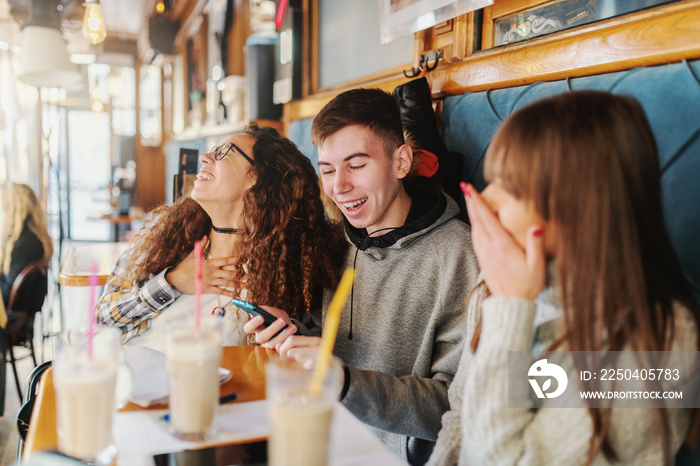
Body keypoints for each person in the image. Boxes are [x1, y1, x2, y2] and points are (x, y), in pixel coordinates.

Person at [428, 91, 700, 465]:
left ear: (578, 204)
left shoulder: (661, 336)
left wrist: (512, 312)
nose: (486, 201)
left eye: (510, 187)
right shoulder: (497, 287)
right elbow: (461, 413)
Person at [245, 88, 480, 465]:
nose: (339, 186)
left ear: (401, 162)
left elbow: (453, 407)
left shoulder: (459, 257)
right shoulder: (331, 242)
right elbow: (327, 357)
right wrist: (293, 336)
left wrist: (347, 384)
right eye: (327, 170)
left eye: (356, 165)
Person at [97, 124, 344, 349]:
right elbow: (102, 320)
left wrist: (286, 333)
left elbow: (315, 347)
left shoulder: (282, 272)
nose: (204, 158)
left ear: (258, 179)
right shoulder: (167, 237)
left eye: (224, 152)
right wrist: (170, 282)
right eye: (211, 150)